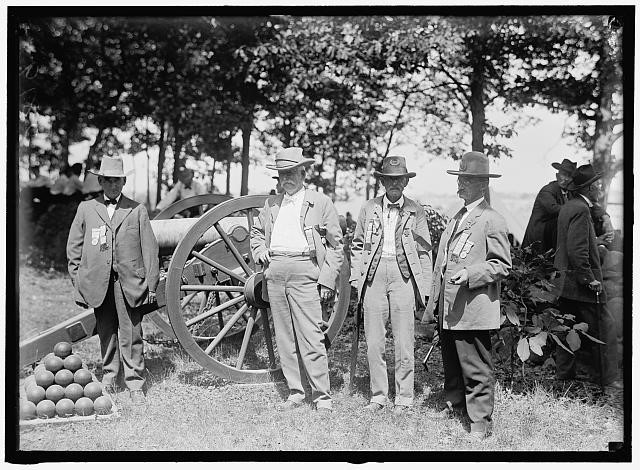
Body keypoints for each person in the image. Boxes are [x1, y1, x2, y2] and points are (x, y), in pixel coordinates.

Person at [424, 151, 512, 441]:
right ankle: (455, 405)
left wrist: (472, 274)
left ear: (481, 185)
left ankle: (480, 424)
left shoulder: (492, 219)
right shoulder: (458, 217)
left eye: (464, 180)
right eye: (459, 179)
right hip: (451, 307)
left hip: (473, 307)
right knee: (452, 360)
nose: (458, 185)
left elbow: (501, 265)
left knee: (476, 367)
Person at [250, 147, 344, 413]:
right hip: (276, 270)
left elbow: (337, 247)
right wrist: (260, 251)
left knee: (311, 335)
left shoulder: (320, 203)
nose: (286, 178)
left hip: (305, 269)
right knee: (285, 337)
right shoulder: (271, 204)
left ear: (303, 173)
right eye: (282, 174)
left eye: (291, 172)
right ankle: (295, 392)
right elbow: (256, 234)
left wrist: (327, 280)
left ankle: (322, 397)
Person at [66, 156, 159, 405]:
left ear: (124, 181)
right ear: (100, 181)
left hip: (129, 282)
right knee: (106, 331)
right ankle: (110, 376)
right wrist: (79, 281)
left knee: (131, 332)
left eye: (116, 180)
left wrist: (151, 284)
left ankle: (135, 383)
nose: (112, 185)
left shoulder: (136, 209)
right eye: (107, 180)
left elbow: (150, 250)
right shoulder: (87, 208)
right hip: (99, 282)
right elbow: (74, 249)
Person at [349, 155, 433, 414]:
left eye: (400, 180)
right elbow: (356, 245)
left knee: (404, 340)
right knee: (374, 341)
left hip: (402, 275)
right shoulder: (369, 208)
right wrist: (356, 277)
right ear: (383, 181)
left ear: (405, 183)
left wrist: (426, 288)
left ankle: (404, 397)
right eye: (390, 179)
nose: (395, 184)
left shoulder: (415, 210)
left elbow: (424, 250)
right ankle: (378, 396)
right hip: (373, 275)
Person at [553, 164, 621, 392]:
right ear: (590, 188)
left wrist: (597, 240)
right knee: (604, 328)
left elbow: (573, 245)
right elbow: (577, 250)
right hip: (580, 284)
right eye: (598, 185)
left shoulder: (570, 206)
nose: (600, 188)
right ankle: (606, 379)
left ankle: (564, 376)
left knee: (566, 328)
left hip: (565, 282)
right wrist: (589, 279)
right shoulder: (581, 210)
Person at [522, 158, 576, 254]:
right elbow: (554, 209)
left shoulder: (570, 193)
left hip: (552, 239)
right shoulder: (548, 190)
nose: (566, 179)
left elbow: (585, 202)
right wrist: (576, 209)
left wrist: (604, 216)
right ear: (557, 175)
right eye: (564, 174)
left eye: (569, 176)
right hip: (538, 241)